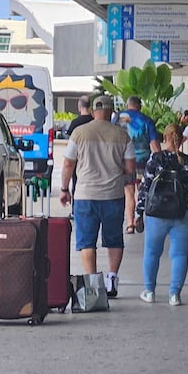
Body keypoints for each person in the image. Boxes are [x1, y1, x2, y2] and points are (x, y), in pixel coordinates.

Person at [59, 95, 136, 300]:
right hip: (113, 195)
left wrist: (64, 189)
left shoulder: (79, 133)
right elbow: (130, 168)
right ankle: (112, 279)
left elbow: (68, 164)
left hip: (85, 196)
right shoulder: (122, 135)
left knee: (87, 242)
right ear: (111, 112)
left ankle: (92, 286)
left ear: (93, 112)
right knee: (114, 239)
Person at [134, 122, 188, 306]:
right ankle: (174, 295)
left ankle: (149, 291)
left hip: (156, 214)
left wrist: (138, 213)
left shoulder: (155, 159)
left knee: (151, 252)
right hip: (182, 213)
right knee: (180, 255)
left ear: (164, 138)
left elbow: (145, 188)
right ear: (182, 139)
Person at [122, 96, 161, 233]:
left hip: (124, 162)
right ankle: (139, 217)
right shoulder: (146, 120)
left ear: (128, 105)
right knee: (142, 191)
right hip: (143, 162)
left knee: (129, 193)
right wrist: (160, 160)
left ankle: (130, 224)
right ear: (139, 106)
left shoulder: (118, 119)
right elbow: (154, 144)